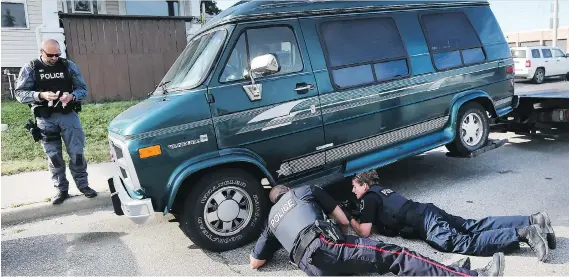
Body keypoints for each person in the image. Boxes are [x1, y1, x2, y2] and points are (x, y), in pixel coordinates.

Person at [249, 184, 505, 276]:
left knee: (373, 266)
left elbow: (255, 262)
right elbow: (341, 219)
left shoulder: (271, 219)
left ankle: (448, 271)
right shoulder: (303, 191)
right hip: (328, 247)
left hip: (312, 268)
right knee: (397, 256)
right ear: (288, 190)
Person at [347, 170, 556, 262]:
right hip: (427, 211)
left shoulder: (369, 199)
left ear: (365, 185)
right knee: (473, 226)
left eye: (355, 188)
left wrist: (350, 220)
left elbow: (364, 232)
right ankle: (534, 219)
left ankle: (524, 233)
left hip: (425, 222)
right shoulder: (382, 192)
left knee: (462, 242)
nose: (354, 192)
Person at [15, 39, 98, 204]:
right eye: (50, 55)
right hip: (45, 118)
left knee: (77, 153)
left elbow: (83, 89)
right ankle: (61, 190)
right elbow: (19, 93)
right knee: (54, 157)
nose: (54, 58)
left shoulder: (68, 65)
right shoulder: (31, 68)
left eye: (57, 55)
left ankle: (83, 185)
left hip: (68, 115)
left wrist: (72, 96)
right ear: (41, 52)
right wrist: (40, 95)